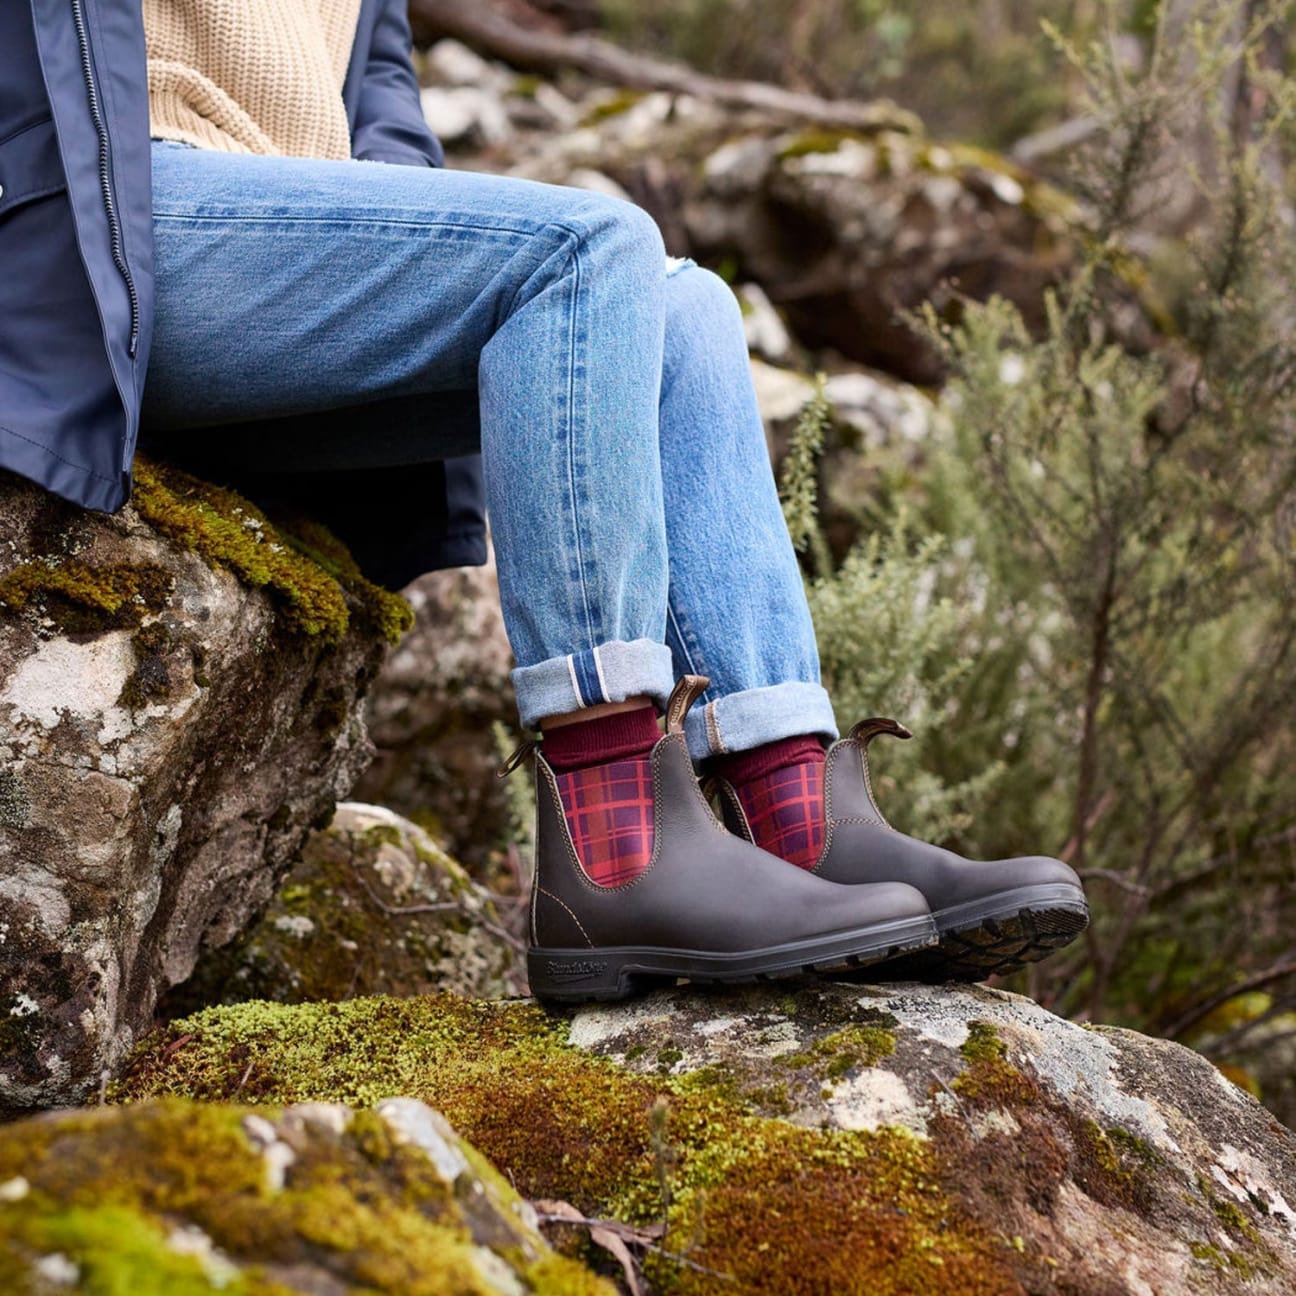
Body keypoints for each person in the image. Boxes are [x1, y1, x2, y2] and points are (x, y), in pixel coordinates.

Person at [0, 0, 1087, 1002]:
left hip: (280, 263)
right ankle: (616, 842)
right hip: (113, 220)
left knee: (681, 307)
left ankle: (793, 813)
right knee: (588, 247)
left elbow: (385, 138)